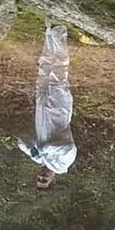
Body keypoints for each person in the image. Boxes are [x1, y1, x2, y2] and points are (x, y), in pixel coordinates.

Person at [17, 23, 76, 190]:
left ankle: (50, 33)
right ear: (53, 180)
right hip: (59, 109)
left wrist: (31, 151)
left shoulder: (40, 158)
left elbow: (21, 141)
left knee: (45, 66)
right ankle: (60, 32)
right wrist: (44, 150)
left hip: (42, 107)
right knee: (59, 71)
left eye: (38, 178)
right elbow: (67, 148)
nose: (41, 176)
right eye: (44, 180)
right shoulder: (64, 163)